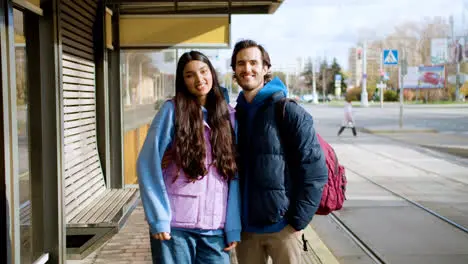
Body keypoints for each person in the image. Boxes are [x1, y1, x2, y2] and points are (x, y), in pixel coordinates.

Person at [137, 51, 241, 264]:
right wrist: (158, 218)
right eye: (190, 75)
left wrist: (233, 226)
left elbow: (234, 175)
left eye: (203, 71)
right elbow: (147, 163)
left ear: (211, 72)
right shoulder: (172, 110)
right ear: (182, 81)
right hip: (175, 229)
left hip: (216, 230)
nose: (199, 79)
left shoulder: (229, 116)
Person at [231, 39, 328, 264]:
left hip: (283, 228)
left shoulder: (288, 110)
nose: (247, 69)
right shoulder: (234, 116)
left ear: (265, 68)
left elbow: (315, 170)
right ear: (234, 71)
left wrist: (298, 221)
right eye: (241, 63)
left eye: (254, 63)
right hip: (246, 229)